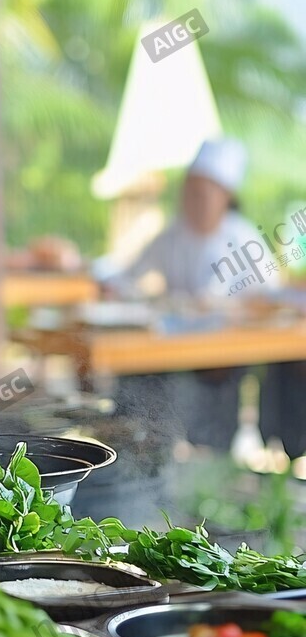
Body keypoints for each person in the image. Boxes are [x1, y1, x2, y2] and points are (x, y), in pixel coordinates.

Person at [100, 137, 257, 448]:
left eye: (204, 191)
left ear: (225, 196)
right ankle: (139, 452)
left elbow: (271, 300)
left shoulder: (244, 239)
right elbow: (125, 275)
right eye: (190, 189)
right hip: (170, 352)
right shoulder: (172, 235)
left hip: (220, 361)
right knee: (135, 384)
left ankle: (210, 463)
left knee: (210, 429)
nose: (194, 199)